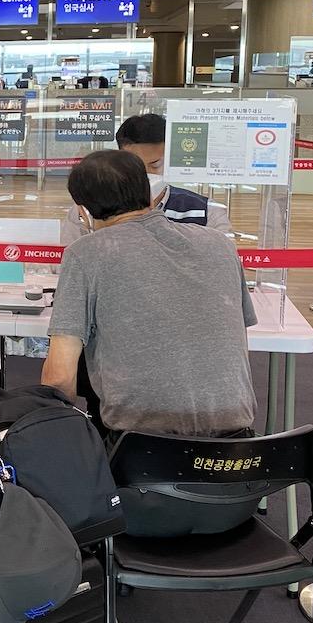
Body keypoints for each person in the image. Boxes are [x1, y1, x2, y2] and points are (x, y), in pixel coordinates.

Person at [42, 150, 258, 537]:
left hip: (142, 490)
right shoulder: (220, 246)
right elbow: (231, 339)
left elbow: (59, 379)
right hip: (238, 482)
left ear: (82, 211)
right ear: (155, 196)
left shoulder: (87, 253)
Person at [61, 112, 228, 244]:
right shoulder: (89, 210)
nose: (145, 175)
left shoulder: (206, 211)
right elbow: (69, 265)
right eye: (134, 166)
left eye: (155, 164)